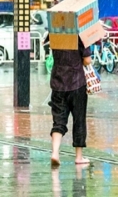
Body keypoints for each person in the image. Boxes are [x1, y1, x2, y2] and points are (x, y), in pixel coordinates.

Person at [49, 36, 92, 166]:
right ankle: (79, 157)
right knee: (79, 120)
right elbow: (87, 61)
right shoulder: (81, 36)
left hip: (58, 83)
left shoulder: (54, 34)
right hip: (76, 83)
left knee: (59, 120)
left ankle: (55, 152)